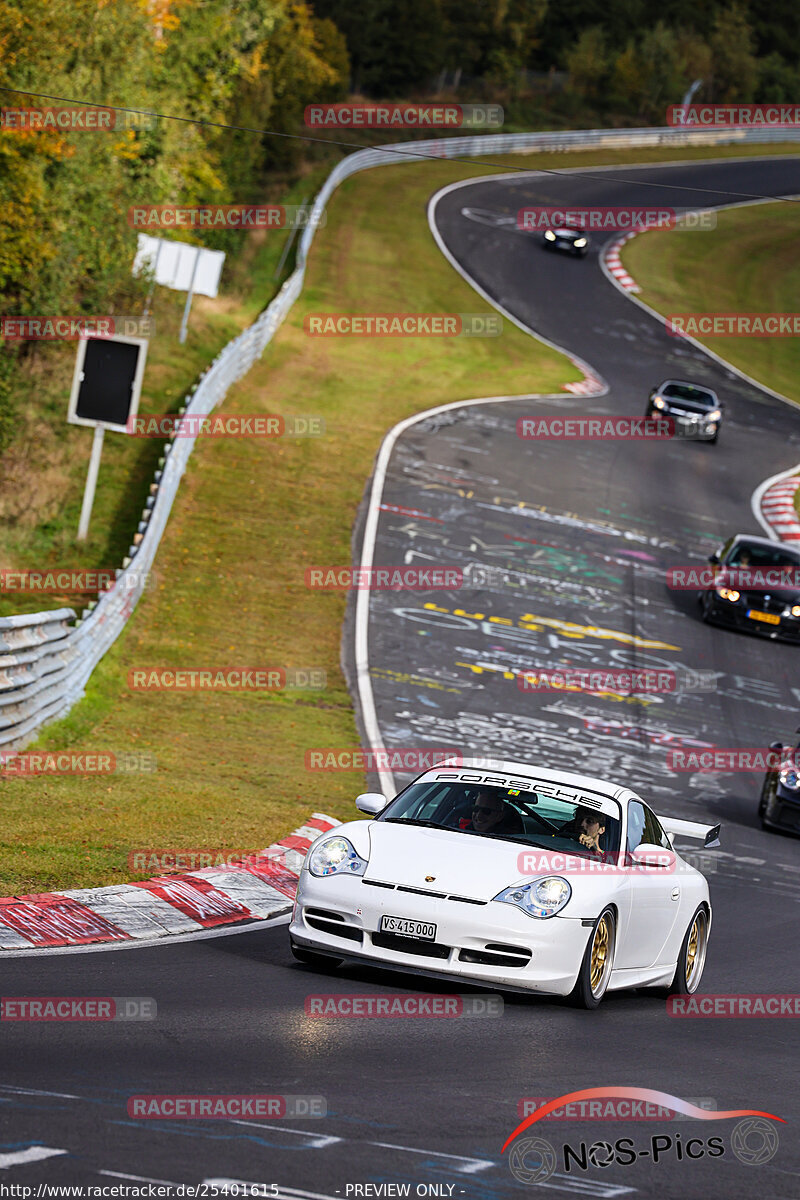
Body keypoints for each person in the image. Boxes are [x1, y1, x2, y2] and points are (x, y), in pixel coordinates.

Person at [458, 789, 523, 836]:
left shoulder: (510, 841)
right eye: (476, 809)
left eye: (486, 811)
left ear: (499, 816)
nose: (479, 816)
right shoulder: (458, 830)